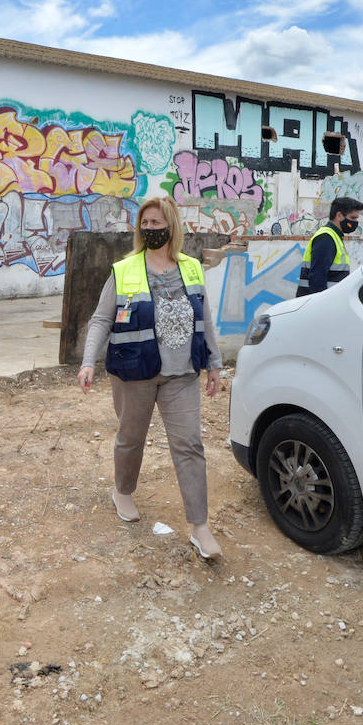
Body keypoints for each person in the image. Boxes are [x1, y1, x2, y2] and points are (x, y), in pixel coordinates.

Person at [77, 197, 225, 559]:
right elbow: (101, 319)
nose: (150, 229)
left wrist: (215, 363)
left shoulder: (191, 268)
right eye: (145, 224)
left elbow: (204, 318)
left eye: (157, 223)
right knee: (131, 439)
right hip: (134, 372)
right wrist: (88, 362)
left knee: (190, 445)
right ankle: (123, 491)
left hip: (182, 374)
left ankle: (200, 526)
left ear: (172, 226)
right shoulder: (125, 269)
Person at [296, 196, 363, 296]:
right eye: (352, 218)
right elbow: (317, 278)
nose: (355, 222)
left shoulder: (334, 236)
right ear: (339, 215)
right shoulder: (326, 238)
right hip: (319, 303)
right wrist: (323, 304)